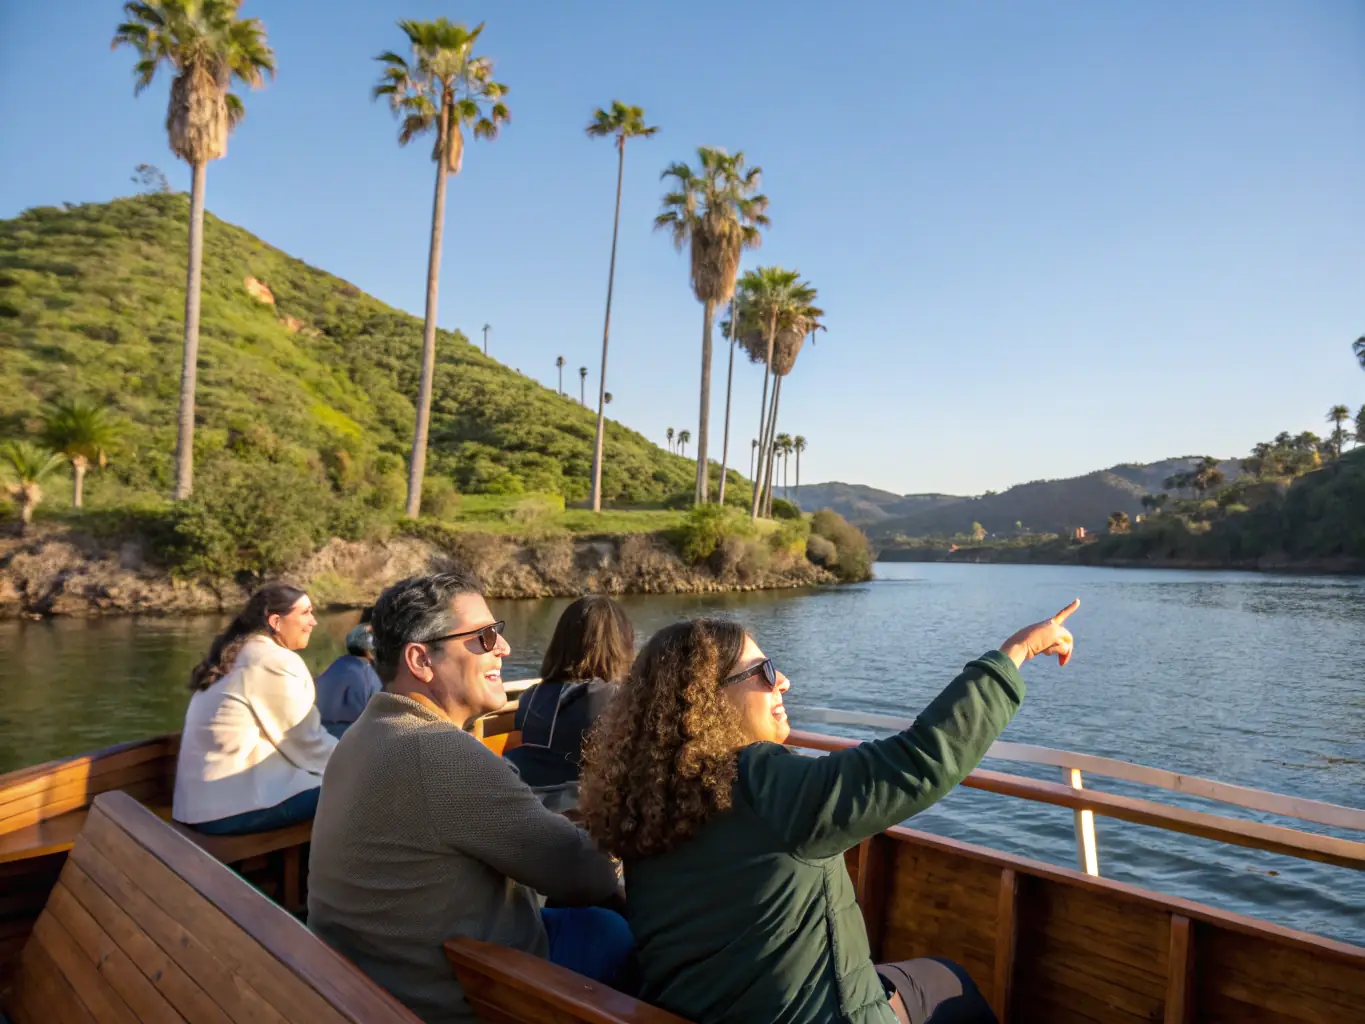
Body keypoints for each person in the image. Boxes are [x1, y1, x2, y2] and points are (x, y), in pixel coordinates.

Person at [580, 601, 1080, 1024]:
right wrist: (1015, 654)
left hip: (703, 1010)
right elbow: (918, 761)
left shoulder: (645, 799)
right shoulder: (762, 783)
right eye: (766, 672)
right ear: (707, 698)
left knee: (924, 978)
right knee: (952, 986)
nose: (785, 683)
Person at [307, 569, 631, 1024]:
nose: (504, 648)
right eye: (483, 637)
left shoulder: (368, 732)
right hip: (447, 998)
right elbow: (588, 877)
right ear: (421, 661)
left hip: (365, 979)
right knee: (611, 930)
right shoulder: (439, 752)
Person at [173, 583, 336, 835]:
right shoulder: (273, 661)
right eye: (305, 613)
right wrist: (361, 765)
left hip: (200, 803)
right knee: (360, 789)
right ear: (275, 621)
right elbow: (305, 741)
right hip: (233, 807)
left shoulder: (237, 654)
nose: (313, 621)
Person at [505, 595, 634, 790]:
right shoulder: (618, 699)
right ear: (620, 643)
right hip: (585, 809)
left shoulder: (530, 697)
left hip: (531, 802)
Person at [315, 621, 383, 738]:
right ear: (369, 649)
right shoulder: (368, 674)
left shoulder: (337, 665)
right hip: (351, 737)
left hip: (319, 732)